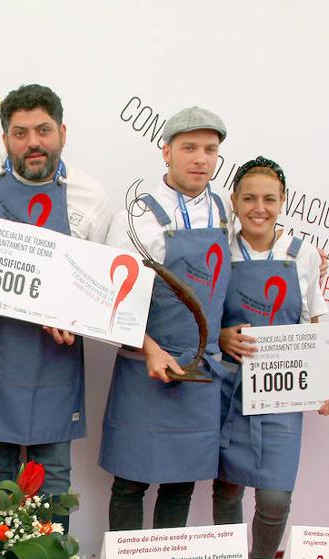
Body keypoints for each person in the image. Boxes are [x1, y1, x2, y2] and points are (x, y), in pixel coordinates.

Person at [0, 84, 111, 521]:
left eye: (43, 130)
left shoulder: (90, 196)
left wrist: (77, 318)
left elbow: (100, 287)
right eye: (20, 133)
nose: (33, 142)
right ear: (5, 140)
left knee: (53, 487)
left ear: (62, 132)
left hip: (55, 363)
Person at [99, 106, 231, 531]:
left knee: (181, 485)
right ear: (166, 152)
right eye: (189, 148)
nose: (200, 159)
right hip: (146, 369)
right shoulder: (135, 218)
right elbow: (113, 303)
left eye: (209, 150)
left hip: (202, 370)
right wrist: (151, 350)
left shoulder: (227, 213)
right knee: (130, 483)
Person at [213, 156, 329, 558]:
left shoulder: (301, 254)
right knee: (227, 486)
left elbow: (314, 320)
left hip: (281, 391)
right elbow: (202, 312)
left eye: (269, 198)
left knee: (274, 498)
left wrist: (328, 383)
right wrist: (220, 337)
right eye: (249, 197)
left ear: (283, 201)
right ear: (233, 201)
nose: (259, 207)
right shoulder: (219, 249)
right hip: (229, 387)